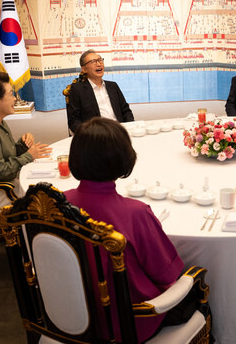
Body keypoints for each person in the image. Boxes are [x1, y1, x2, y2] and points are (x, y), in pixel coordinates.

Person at [64, 117, 185, 342]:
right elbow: (166, 274)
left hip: (69, 314)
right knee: (197, 287)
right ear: (123, 158)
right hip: (126, 322)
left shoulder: (61, 203)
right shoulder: (134, 213)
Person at [0, 72, 51, 209]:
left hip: (5, 184)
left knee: (46, 187)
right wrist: (29, 156)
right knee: (45, 201)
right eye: (11, 94)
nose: (15, 99)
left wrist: (23, 146)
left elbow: (7, 156)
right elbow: (0, 172)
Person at [66, 49, 134, 134]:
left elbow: (126, 111)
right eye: (93, 62)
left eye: (100, 60)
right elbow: (74, 121)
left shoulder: (113, 86)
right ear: (84, 69)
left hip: (119, 132)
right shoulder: (77, 89)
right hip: (96, 135)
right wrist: (88, 135)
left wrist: (130, 128)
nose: (99, 64)